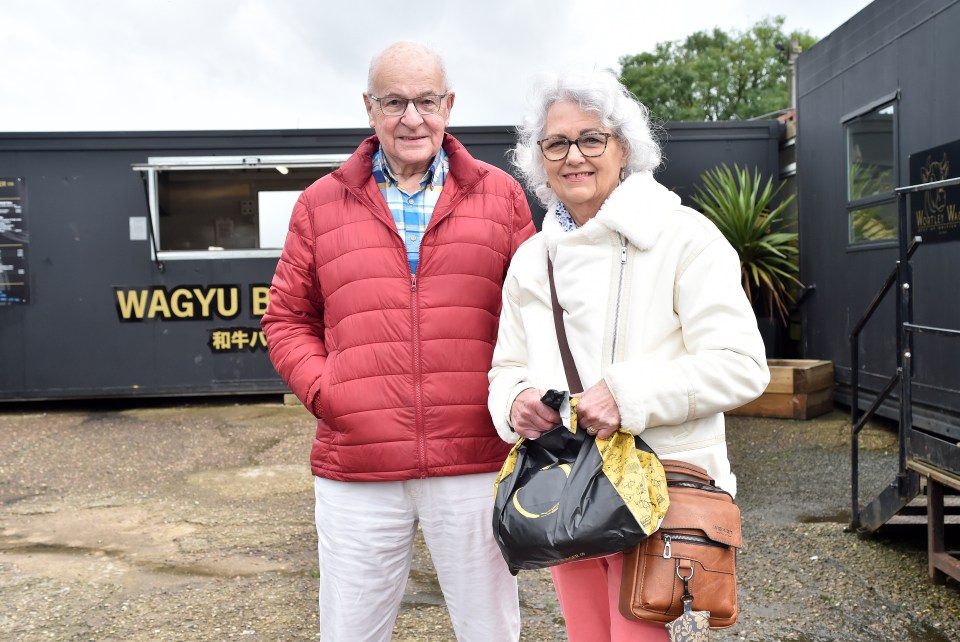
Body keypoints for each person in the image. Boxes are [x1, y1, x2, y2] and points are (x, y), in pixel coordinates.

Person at [261, 41, 535, 641]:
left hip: (474, 455)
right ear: (369, 108)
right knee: (351, 631)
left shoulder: (501, 196)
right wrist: (331, 392)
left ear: (449, 105)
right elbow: (286, 319)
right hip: (357, 465)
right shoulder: (320, 203)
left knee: (490, 630)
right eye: (394, 102)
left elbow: (531, 314)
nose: (412, 117)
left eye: (426, 101)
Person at [487, 69, 770, 641]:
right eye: (556, 143)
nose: (574, 157)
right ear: (539, 158)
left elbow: (743, 364)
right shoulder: (531, 259)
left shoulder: (685, 237)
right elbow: (506, 367)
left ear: (625, 148)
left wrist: (629, 396)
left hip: (659, 494)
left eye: (592, 139)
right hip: (567, 491)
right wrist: (513, 402)